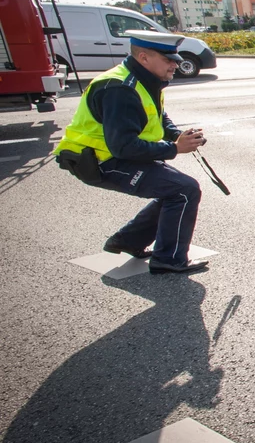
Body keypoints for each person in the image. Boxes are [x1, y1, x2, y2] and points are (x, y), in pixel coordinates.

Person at [55, 31, 210, 274]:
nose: (176, 64)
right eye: (169, 59)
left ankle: (128, 241)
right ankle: (168, 260)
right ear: (143, 57)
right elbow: (123, 146)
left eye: (176, 59)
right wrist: (174, 148)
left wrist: (177, 135)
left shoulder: (141, 79)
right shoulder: (120, 89)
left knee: (175, 188)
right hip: (98, 160)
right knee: (183, 189)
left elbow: (156, 117)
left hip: (110, 155)